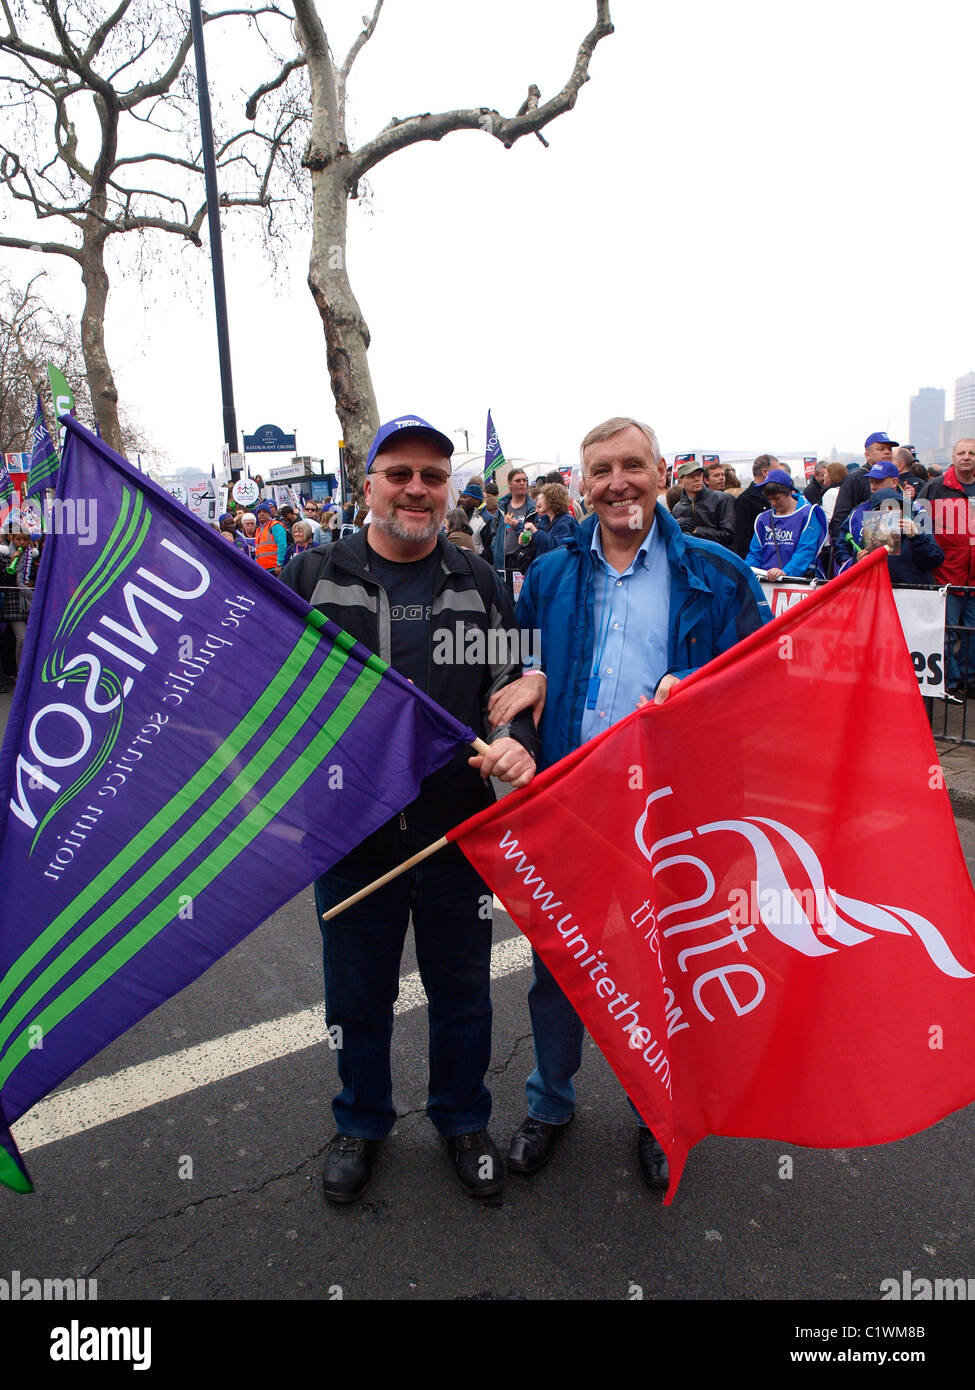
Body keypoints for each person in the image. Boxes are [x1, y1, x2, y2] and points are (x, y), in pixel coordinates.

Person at [486, 416, 772, 1192]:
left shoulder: (718, 572)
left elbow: (764, 686)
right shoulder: (549, 573)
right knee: (558, 963)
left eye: (631, 466)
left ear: (658, 472)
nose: (618, 482)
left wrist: (706, 694)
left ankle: (659, 1112)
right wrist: (517, 718)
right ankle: (549, 1102)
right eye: (601, 469)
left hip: (675, 812)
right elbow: (514, 672)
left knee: (667, 964)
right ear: (581, 484)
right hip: (569, 802)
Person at [279, 413, 538, 1204]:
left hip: (458, 830)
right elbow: (272, 692)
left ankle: (463, 1119)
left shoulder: (478, 578)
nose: (416, 488)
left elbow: (513, 677)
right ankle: (360, 1121)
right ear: (368, 486)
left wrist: (518, 735)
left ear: (447, 489)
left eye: (432, 475)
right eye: (399, 473)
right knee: (359, 998)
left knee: (461, 990)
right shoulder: (307, 573)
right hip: (350, 832)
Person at [918, 438, 975, 697]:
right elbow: (917, 522)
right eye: (961, 452)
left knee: (972, 635)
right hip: (947, 575)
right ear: (953, 457)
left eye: (971, 453)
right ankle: (950, 683)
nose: (966, 457)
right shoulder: (935, 488)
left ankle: (968, 678)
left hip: (972, 577)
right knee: (949, 633)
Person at [833, 462, 943, 582]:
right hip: (874, 588)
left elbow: (934, 559)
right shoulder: (859, 511)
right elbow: (842, 544)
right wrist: (855, 562)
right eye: (871, 481)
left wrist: (916, 536)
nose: (873, 486)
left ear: (894, 482)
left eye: (879, 481)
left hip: (912, 592)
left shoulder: (916, 511)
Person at [745, 469, 827, 580]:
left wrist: (785, 572)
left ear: (789, 492)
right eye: (769, 499)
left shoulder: (808, 514)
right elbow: (755, 552)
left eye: (777, 498)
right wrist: (748, 571)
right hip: (765, 580)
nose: (773, 503)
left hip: (796, 581)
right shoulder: (763, 519)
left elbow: (806, 550)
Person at [829, 431, 898, 548]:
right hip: (862, 549)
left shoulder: (895, 477)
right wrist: (845, 555)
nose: (887, 452)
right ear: (867, 455)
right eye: (881, 449)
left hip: (893, 549)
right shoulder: (855, 479)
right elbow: (839, 519)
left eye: (889, 450)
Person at [671, 460, 735, 548]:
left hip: (718, 557)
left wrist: (698, 531)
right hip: (690, 559)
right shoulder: (678, 508)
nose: (697, 479)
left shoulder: (722, 499)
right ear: (681, 481)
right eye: (691, 476)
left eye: (699, 475)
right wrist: (676, 525)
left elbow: (729, 535)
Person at [491, 466, 536, 590]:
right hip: (503, 561)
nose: (522, 483)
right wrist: (495, 547)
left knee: (520, 600)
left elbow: (534, 534)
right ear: (510, 484)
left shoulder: (533, 508)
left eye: (524, 480)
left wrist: (517, 525)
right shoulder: (502, 506)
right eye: (518, 481)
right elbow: (493, 530)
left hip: (522, 562)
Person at [733, 455, 779, 557]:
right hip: (756, 560)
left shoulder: (775, 496)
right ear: (765, 472)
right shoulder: (744, 500)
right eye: (777, 471)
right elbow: (742, 538)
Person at [521, 481, 576, 556]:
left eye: (543, 497)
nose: (539, 501)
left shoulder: (566, 521)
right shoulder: (545, 519)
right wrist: (528, 539)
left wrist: (535, 531)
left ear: (553, 500)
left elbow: (556, 547)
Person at [253, 501, 288, 574]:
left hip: (274, 569)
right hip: (262, 569)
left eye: (265, 512)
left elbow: (282, 545)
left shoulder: (275, 526)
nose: (262, 514)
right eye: (259, 512)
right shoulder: (258, 530)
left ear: (269, 514)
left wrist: (279, 564)